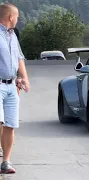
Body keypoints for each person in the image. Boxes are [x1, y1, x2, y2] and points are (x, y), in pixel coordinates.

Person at [0, 2, 30, 174]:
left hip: (12, 86)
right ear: (11, 17)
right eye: (17, 17)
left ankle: (6, 162)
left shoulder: (13, 36)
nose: (18, 20)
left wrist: (24, 78)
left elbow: (19, 58)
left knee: (10, 124)